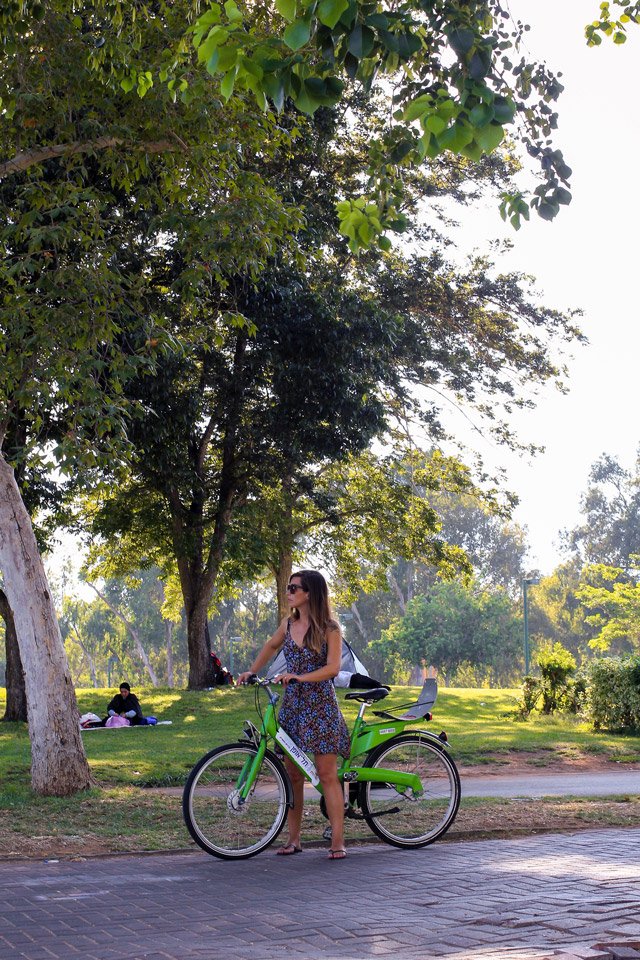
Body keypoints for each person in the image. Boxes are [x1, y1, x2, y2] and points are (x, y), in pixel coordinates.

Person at [237, 570, 350, 860]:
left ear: (309, 592)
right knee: (293, 775)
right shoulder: (288, 624)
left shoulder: (330, 627)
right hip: (293, 708)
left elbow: (333, 668)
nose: (288, 592)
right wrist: (253, 670)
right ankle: (294, 839)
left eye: (294, 588)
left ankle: (337, 842)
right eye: (288, 587)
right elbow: (271, 645)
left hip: (321, 707)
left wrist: (301, 677)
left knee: (327, 775)